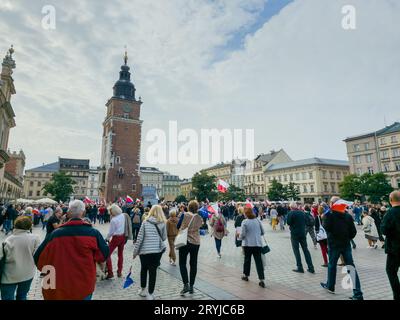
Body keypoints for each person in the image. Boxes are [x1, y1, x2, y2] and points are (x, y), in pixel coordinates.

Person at [34, 200, 109, 300]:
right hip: (83, 284)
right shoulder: (93, 233)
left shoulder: (55, 234)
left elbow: (38, 257)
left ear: (68, 213)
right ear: (83, 213)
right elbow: (104, 255)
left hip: (58, 285)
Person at [321, 197, 363, 300]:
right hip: (345, 244)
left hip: (334, 244)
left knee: (332, 265)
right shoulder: (347, 216)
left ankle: (330, 286)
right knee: (350, 267)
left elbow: (326, 228)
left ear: (332, 204)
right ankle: (358, 293)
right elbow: (353, 232)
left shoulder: (328, 215)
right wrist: (347, 238)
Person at [0, 216, 40, 300]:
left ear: (15, 225)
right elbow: (38, 256)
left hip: (8, 276)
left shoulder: (7, 241)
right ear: (29, 226)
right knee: (22, 296)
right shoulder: (35, 238)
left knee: (7, 298)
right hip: (27, 274)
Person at [133, 205, 167, 300]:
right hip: (156, 251)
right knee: (153, 272)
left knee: (144, 269)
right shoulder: (163, 223)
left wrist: (135, 252)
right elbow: (164, 238)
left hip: (145, 251)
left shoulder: (145, 222)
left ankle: (143, 290)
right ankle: (150, 294)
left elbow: (139, 238)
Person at [177, 200, 203, 296]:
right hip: (196, 242)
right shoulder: (199, 217)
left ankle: (186, 284)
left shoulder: (185, 215)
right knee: (193, 263)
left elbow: (178, 226)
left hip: (185, 241)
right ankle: (192, 286)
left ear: (189, 207)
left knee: (182, 263)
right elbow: (202, 227)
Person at [381, 190, 400, 300]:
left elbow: (384, 230)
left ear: (391, 200)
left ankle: (397, 295)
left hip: (394, 249)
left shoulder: (390, 213)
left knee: (391, 271)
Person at [240, 207, 266, 288]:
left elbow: (243, 235)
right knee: (259, 262)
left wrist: (239, 236)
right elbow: (263, 232)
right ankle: (261, 279)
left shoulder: (245, 222)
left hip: (247, 244)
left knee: (247, 260)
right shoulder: (258, 220)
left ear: (246, 214)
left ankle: (246, 276)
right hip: (257, 244)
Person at [287, 202, 315, 274]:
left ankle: (300, 267)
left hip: (294, 234)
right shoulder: (302, 213)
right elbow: (306, 221)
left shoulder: (291, 213)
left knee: (296, 250)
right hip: (302, 233)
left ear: (291, 207)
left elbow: (288, 222)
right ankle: (311, 267)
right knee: (306, 250)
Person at [105, 204, 130, 279]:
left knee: (107, 254)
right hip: (122, 237)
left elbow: (111, 232)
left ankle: (110, 272)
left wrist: (107, 238)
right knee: (120, 255)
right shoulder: (123, 216)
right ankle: (119, 272)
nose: (110, 213)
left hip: (116, 238)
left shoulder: (114, 220)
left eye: (111, 211)